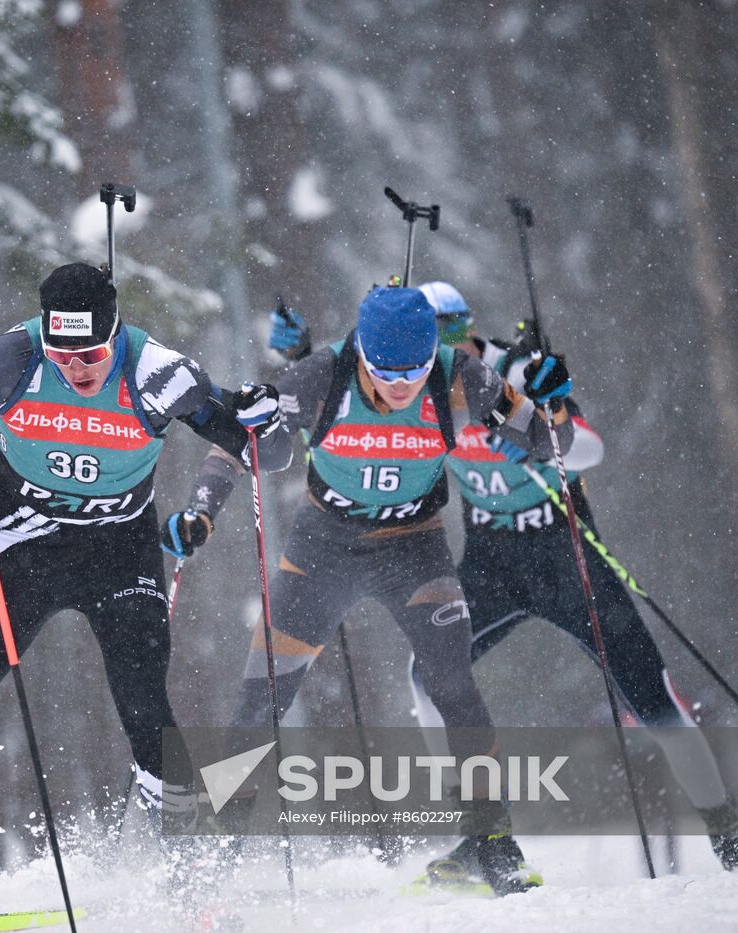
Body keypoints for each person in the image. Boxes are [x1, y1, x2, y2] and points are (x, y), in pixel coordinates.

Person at [0, 261, 290, 897]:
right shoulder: (10, 361)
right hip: (24, 540)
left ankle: (192, 880)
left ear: (115, 336)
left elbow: (269, 458)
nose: (76, 369)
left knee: (144, 704)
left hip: (120, 549)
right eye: (62, 353)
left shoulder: (156, 372)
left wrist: (264, 421)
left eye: (90, 354)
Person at [177, 285, 575, 895]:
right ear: (362, 352)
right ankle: (212, 860)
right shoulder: (322, 374)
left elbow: (551, 447)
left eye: (413, 373)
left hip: (413, 549)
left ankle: (494, 843)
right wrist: (202, 511)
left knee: (453, 683)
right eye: (386, 372)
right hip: (322, 548)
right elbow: (240, 441)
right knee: (260, 702)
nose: (400, 387)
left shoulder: (459, 375)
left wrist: (556, 403)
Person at [408, 280, 738, 874]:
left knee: (654, 699)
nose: (438, 351)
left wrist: (540, 432)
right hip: (491, 565)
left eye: (448, 333)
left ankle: (732, 839)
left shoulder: (518, 368)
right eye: (423, 340)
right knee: (427, 677)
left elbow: (587, 451)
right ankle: (479, 836)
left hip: (567, 558)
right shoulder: (416, 391)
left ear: (465, 328)